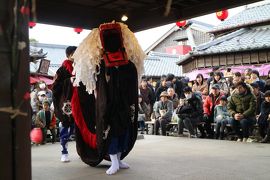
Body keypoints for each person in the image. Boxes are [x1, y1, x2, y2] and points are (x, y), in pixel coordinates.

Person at [52, 46, 77, 162]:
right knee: (66, 128)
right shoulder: (61, 70)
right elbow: (55, 87)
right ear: (69, 55)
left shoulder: (80, 67)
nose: (76, 55)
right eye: (74, 53)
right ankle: (64, 152)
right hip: (67, 103)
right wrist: (69, 81)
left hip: (79, 101)